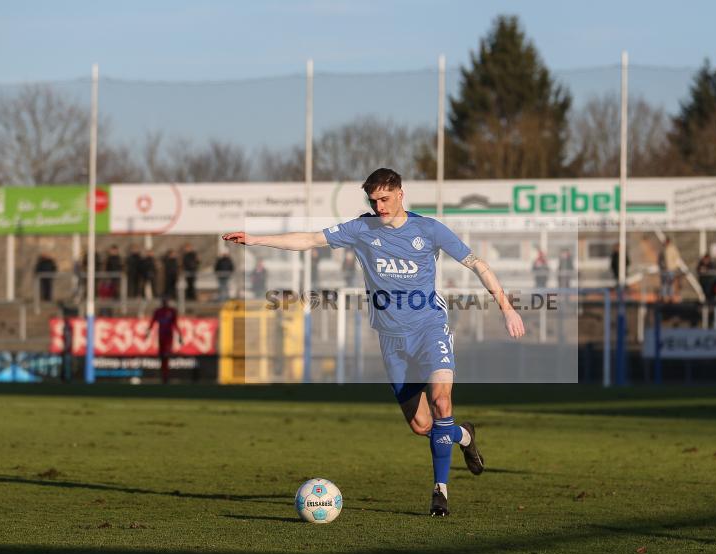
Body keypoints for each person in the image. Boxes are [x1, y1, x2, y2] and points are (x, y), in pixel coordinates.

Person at [223, 168, 525, 517]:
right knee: (422, 426)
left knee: (442, 402)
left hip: (431, 330)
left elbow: (478, 264)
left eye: (384, 198)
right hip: (392, 341)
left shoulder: (428, 229)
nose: (379, 206)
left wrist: (506, 307)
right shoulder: (361, 229)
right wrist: (257, 240)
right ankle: (464, 436)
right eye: (373, 200)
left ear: (400, 194)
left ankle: (439, 492)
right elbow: (309, 239)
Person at [144, 297, 182, 384]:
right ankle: (163, 376)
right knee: (162, 357)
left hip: (168, 337)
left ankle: (166, 376)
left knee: (166, 356)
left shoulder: (172, 311)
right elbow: (152, 322)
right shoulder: (158, 311)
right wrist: (148, 333)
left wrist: (180, 335)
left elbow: (175, 324)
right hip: (161, 337)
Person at [658, 237, 682, 302]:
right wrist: (661, 266)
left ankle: (670, 297)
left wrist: (676, 267)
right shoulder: (663, 249)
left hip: (671, 269)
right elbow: (660, 259)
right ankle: (664, 297)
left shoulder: (673, 249)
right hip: (664, 270)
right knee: (664, 284)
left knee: (670, 283)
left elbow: (677, 258)